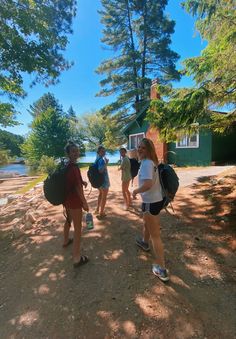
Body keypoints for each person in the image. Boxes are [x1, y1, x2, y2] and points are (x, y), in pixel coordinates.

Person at [132, 138, 169, 282]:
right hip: (155, 201)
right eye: (139, 147)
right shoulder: (152, 162)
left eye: (143, 148)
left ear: (149, 150)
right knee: (146, 222)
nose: (140, 149)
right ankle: (144, 242)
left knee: (156, 236)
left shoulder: (147, 164)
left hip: (150, 201)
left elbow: (147, 184)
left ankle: (162, 269)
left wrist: (135, 191)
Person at [63, 141, 89, 268]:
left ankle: (65, 240)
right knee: (78, 229)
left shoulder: (67, 166)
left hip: (67, 201)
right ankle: (77, 258)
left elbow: (74, 182)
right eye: (73, 151)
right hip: (74, 202)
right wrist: (85, 203)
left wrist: (82, 182)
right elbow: (77, 187)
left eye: (77, 150)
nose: (76, 153)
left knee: (68, 220)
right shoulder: (74, 167)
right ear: (68, 153)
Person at [95, 146, 110, 218]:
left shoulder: (97, 159)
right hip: (103, 181)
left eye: (104, 151)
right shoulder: (101, 160)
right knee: (104, 197)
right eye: (102, 151)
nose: (104, 152)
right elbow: (100, 171)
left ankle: (97, 209)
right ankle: (101, 212)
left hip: (99, 181)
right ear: (98, 152)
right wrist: (106, 163)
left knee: (100, 194)